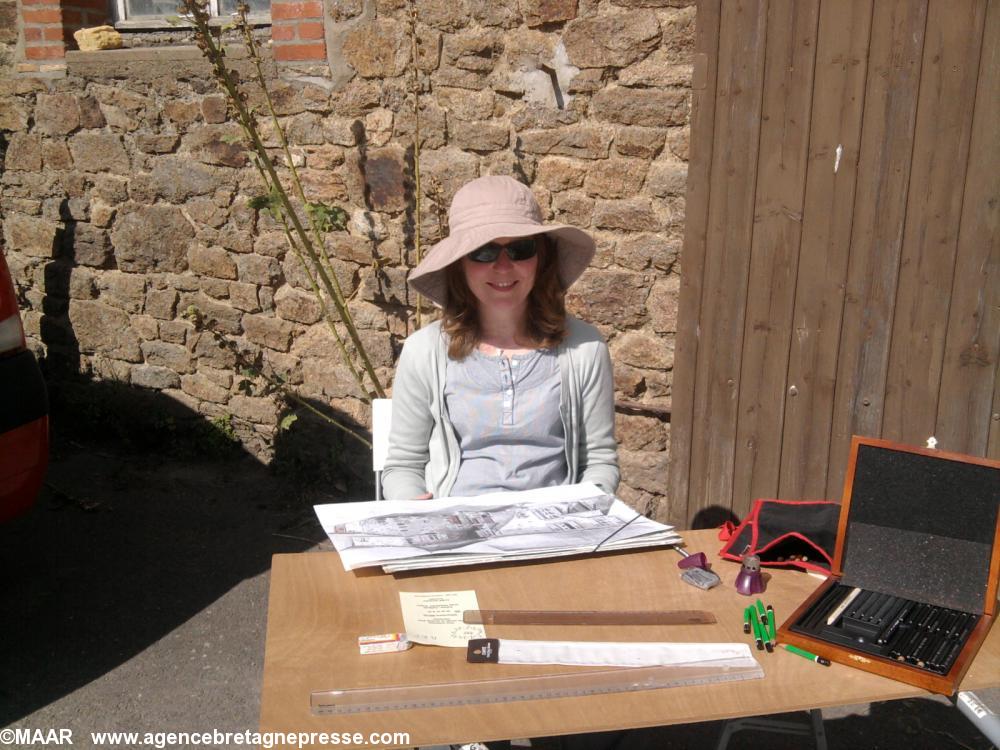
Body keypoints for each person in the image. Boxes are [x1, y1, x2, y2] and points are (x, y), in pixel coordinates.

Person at [381, 175, 619, 501]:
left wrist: (584, 507)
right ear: (459, 265)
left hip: (552, 535)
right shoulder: (424, 352)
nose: (503, 267)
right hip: (457, 532)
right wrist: (413, 509)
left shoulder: (585, 348)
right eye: (483, 252)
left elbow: (598, 460)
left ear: (541, 258)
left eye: (520, 249)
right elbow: (404, 465)